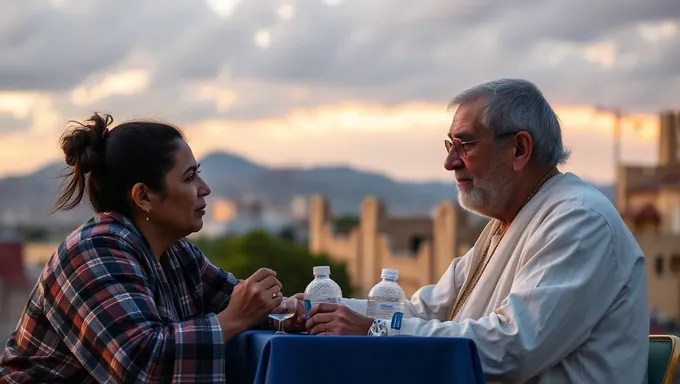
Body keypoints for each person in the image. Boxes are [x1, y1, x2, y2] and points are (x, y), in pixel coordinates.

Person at [302, 79, 649, 383]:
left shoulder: (579, 219)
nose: (451, 162)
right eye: (449, 145)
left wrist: (376, 333)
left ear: (519, 149)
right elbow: (426, 311)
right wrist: (314, 308)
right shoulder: (509, 222)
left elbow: (514, 346)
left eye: (465, 145)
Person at [0, 114, 302, 383]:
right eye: (190, 177)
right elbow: (142, 363)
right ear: (144, 197)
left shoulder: (178, 254)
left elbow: (240, 301)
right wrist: (234, 319)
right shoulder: (92, 252)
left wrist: (293, 311)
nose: (205, 188)